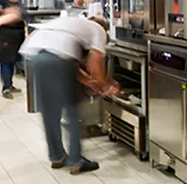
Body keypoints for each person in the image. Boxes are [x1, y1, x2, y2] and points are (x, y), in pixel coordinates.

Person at [19, 16, 118, 174]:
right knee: (72, 110)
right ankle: (76, 161)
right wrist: (107, 86)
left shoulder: (72, 24)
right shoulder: (98, 30)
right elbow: (95, 65)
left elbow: (70, 63)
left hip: (36, 56)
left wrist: (90, 82)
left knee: (50, 111)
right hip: (57, 58)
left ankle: (56, 156)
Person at [0, 0, 26, 98]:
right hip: (5, 36)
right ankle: (6, 88)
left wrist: (25, 32)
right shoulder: (1, 2)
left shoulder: (17, 2)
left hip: (17, 36)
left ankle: (10, 84)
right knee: (6, 62)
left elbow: (22, 17)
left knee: (13, 61)